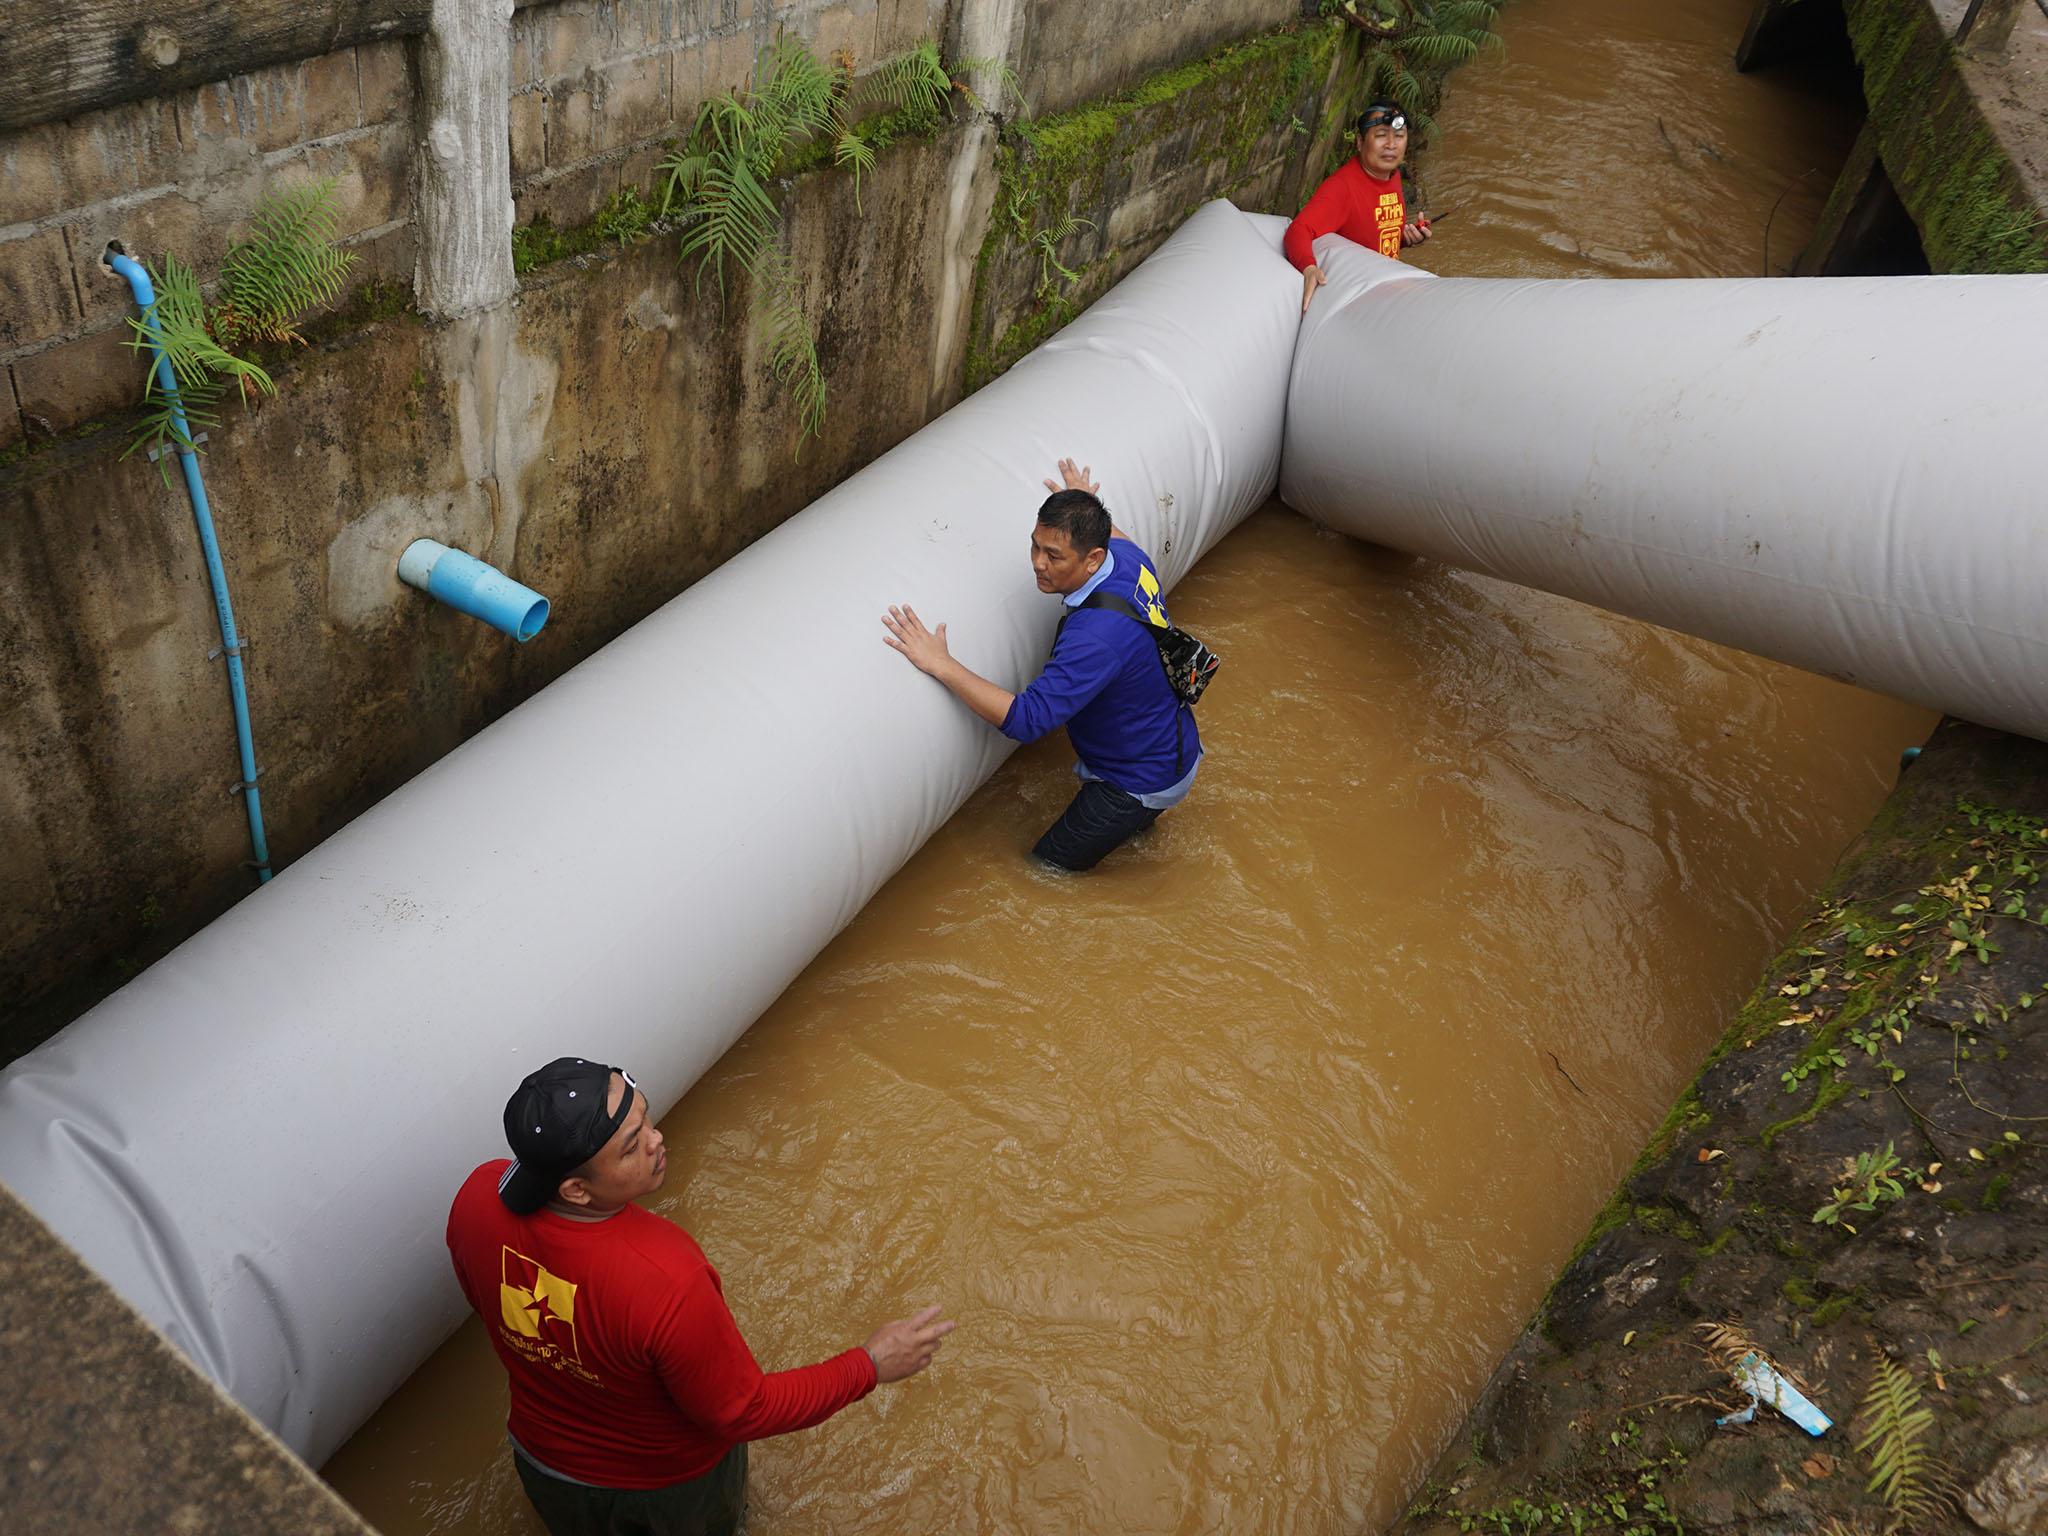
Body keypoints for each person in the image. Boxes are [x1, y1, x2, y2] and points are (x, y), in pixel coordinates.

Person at [447, 1057, 955, 1536]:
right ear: (577, 1190)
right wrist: (870, 1364)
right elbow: (743, 1411)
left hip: (543, 1467)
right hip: (667, 1491)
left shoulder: (475, 1200)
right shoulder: (666, 1275)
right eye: (631, 1146)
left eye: (645, 1118)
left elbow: (487, 1307)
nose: (656, 1140)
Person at [881, 458, 1200, 872]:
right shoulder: (1129, 560)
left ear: (1092, 559)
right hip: (1171, 745)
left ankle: (1128, 826)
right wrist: (1084, 501)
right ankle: (1135, 829)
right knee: (1124, 830)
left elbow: (1027, 720)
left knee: (1044, 872)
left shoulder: (1096, 637)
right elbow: (1111, 533)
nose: (1037, 562)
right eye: (1035, 545)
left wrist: (942, 664)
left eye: (1053, 555)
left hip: (1136, 780)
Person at [1286, 100, 1433, 313]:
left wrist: (1405, 238)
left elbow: (1371, 235)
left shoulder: (1392, 177)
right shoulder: (1342, 188)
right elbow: (1298, 229)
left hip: (1384, 291)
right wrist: (1308, 268)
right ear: (1359, 142)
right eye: (1381, 135)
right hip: (1354, 301)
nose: (1391, 144)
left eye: (1399, 136)